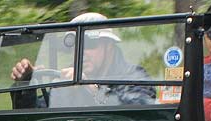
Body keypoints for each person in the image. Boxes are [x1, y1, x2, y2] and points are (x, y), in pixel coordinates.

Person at [10, 12, 155, 108]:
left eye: (90, 44)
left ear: (109, 46)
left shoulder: (133, 76)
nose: (82, 52)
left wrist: (92, 90)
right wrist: (26, 83)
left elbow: (142, 112)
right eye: (76, 46)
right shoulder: (65, 82)